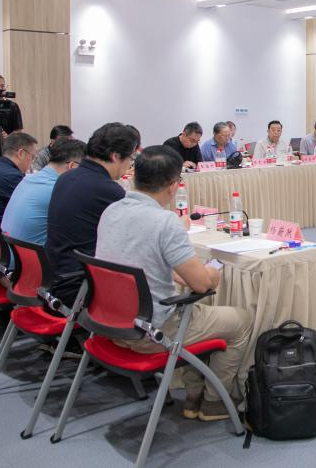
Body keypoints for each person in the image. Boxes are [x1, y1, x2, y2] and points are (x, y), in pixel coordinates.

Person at [96, 146, 252, 421]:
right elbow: (202, 285)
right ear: (173, 186)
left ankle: (193, 396)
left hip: (112, 325)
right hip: (151, 332)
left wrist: (169, 274)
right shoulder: (165, 221)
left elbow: (130, 261)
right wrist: (213, 271)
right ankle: (215, 401)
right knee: (241, 320)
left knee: (194, 313)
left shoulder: (111, 211)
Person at [45, 123, 140, 307]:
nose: (130, 163)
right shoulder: (107, 189)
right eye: (130, 157)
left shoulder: (66, 177)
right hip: (79, 287)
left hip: (53, 277)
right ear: (115, 156)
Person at [2, 138, 86, 246]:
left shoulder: (27, 180)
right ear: (73, 167)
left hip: (10, 252)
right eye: (86, 169)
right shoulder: (59, 190)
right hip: (33, 255)